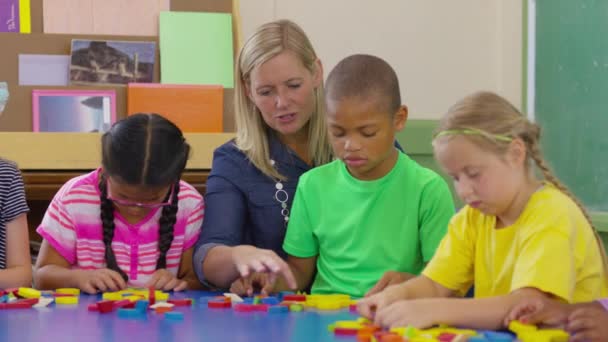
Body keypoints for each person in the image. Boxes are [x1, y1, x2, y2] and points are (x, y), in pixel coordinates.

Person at [357, 91, 608, 330]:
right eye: (455, 177)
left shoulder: (553, 214)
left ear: (515, 154)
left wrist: (431, 310)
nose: (464, 190)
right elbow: (435, 284)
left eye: (473, 174)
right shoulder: (472, 218)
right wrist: (394, 296)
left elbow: (527, 305)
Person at [231, 54, 454, 298]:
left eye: (367, 133)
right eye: (337, 133)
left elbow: (446, 284)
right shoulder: (313, 185)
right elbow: (299, 272)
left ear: (399, 119)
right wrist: (267, 281)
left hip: (392, 317)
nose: (351, 145)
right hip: (323, 316)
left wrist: (409, 285)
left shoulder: (427, 189)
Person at [192, 19, 332, 291]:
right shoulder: (234, 160)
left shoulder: (359, 143)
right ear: (248, 91)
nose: (281, 102)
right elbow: (207, 255)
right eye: (266, 92)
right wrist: (237, 257)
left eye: (293, 85)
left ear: (316, 72)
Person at [34, 113, 204, 294]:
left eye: (152, 200)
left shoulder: (189, 204)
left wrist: (177, 283)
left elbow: (197, 280)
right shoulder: (74, 198)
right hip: (86, 319)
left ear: (173, 181)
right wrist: (79, 278)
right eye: (123, 196)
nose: (135, 210)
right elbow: (41, 276)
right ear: (105, 170)